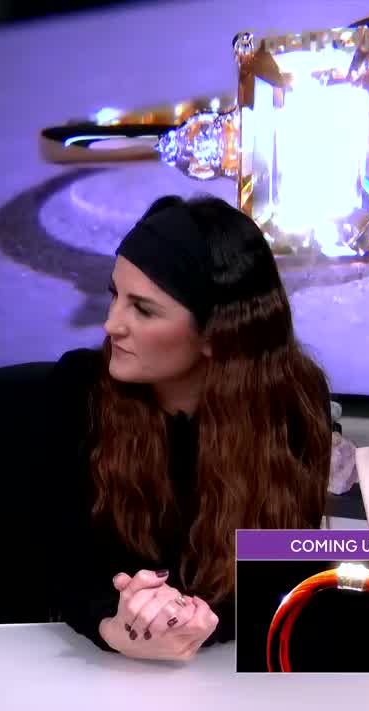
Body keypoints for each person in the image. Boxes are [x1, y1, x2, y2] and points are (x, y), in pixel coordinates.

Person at [48, 195, 331, 661]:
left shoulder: (294, 402)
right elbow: (65, 565)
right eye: (114, 295)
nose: (111, 323)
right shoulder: (78, 390)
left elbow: (280, 570)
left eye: (143, 309)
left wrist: (190, 621)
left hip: (228, 676)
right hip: (97, 670)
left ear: (216, 335)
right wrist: (116, 624)